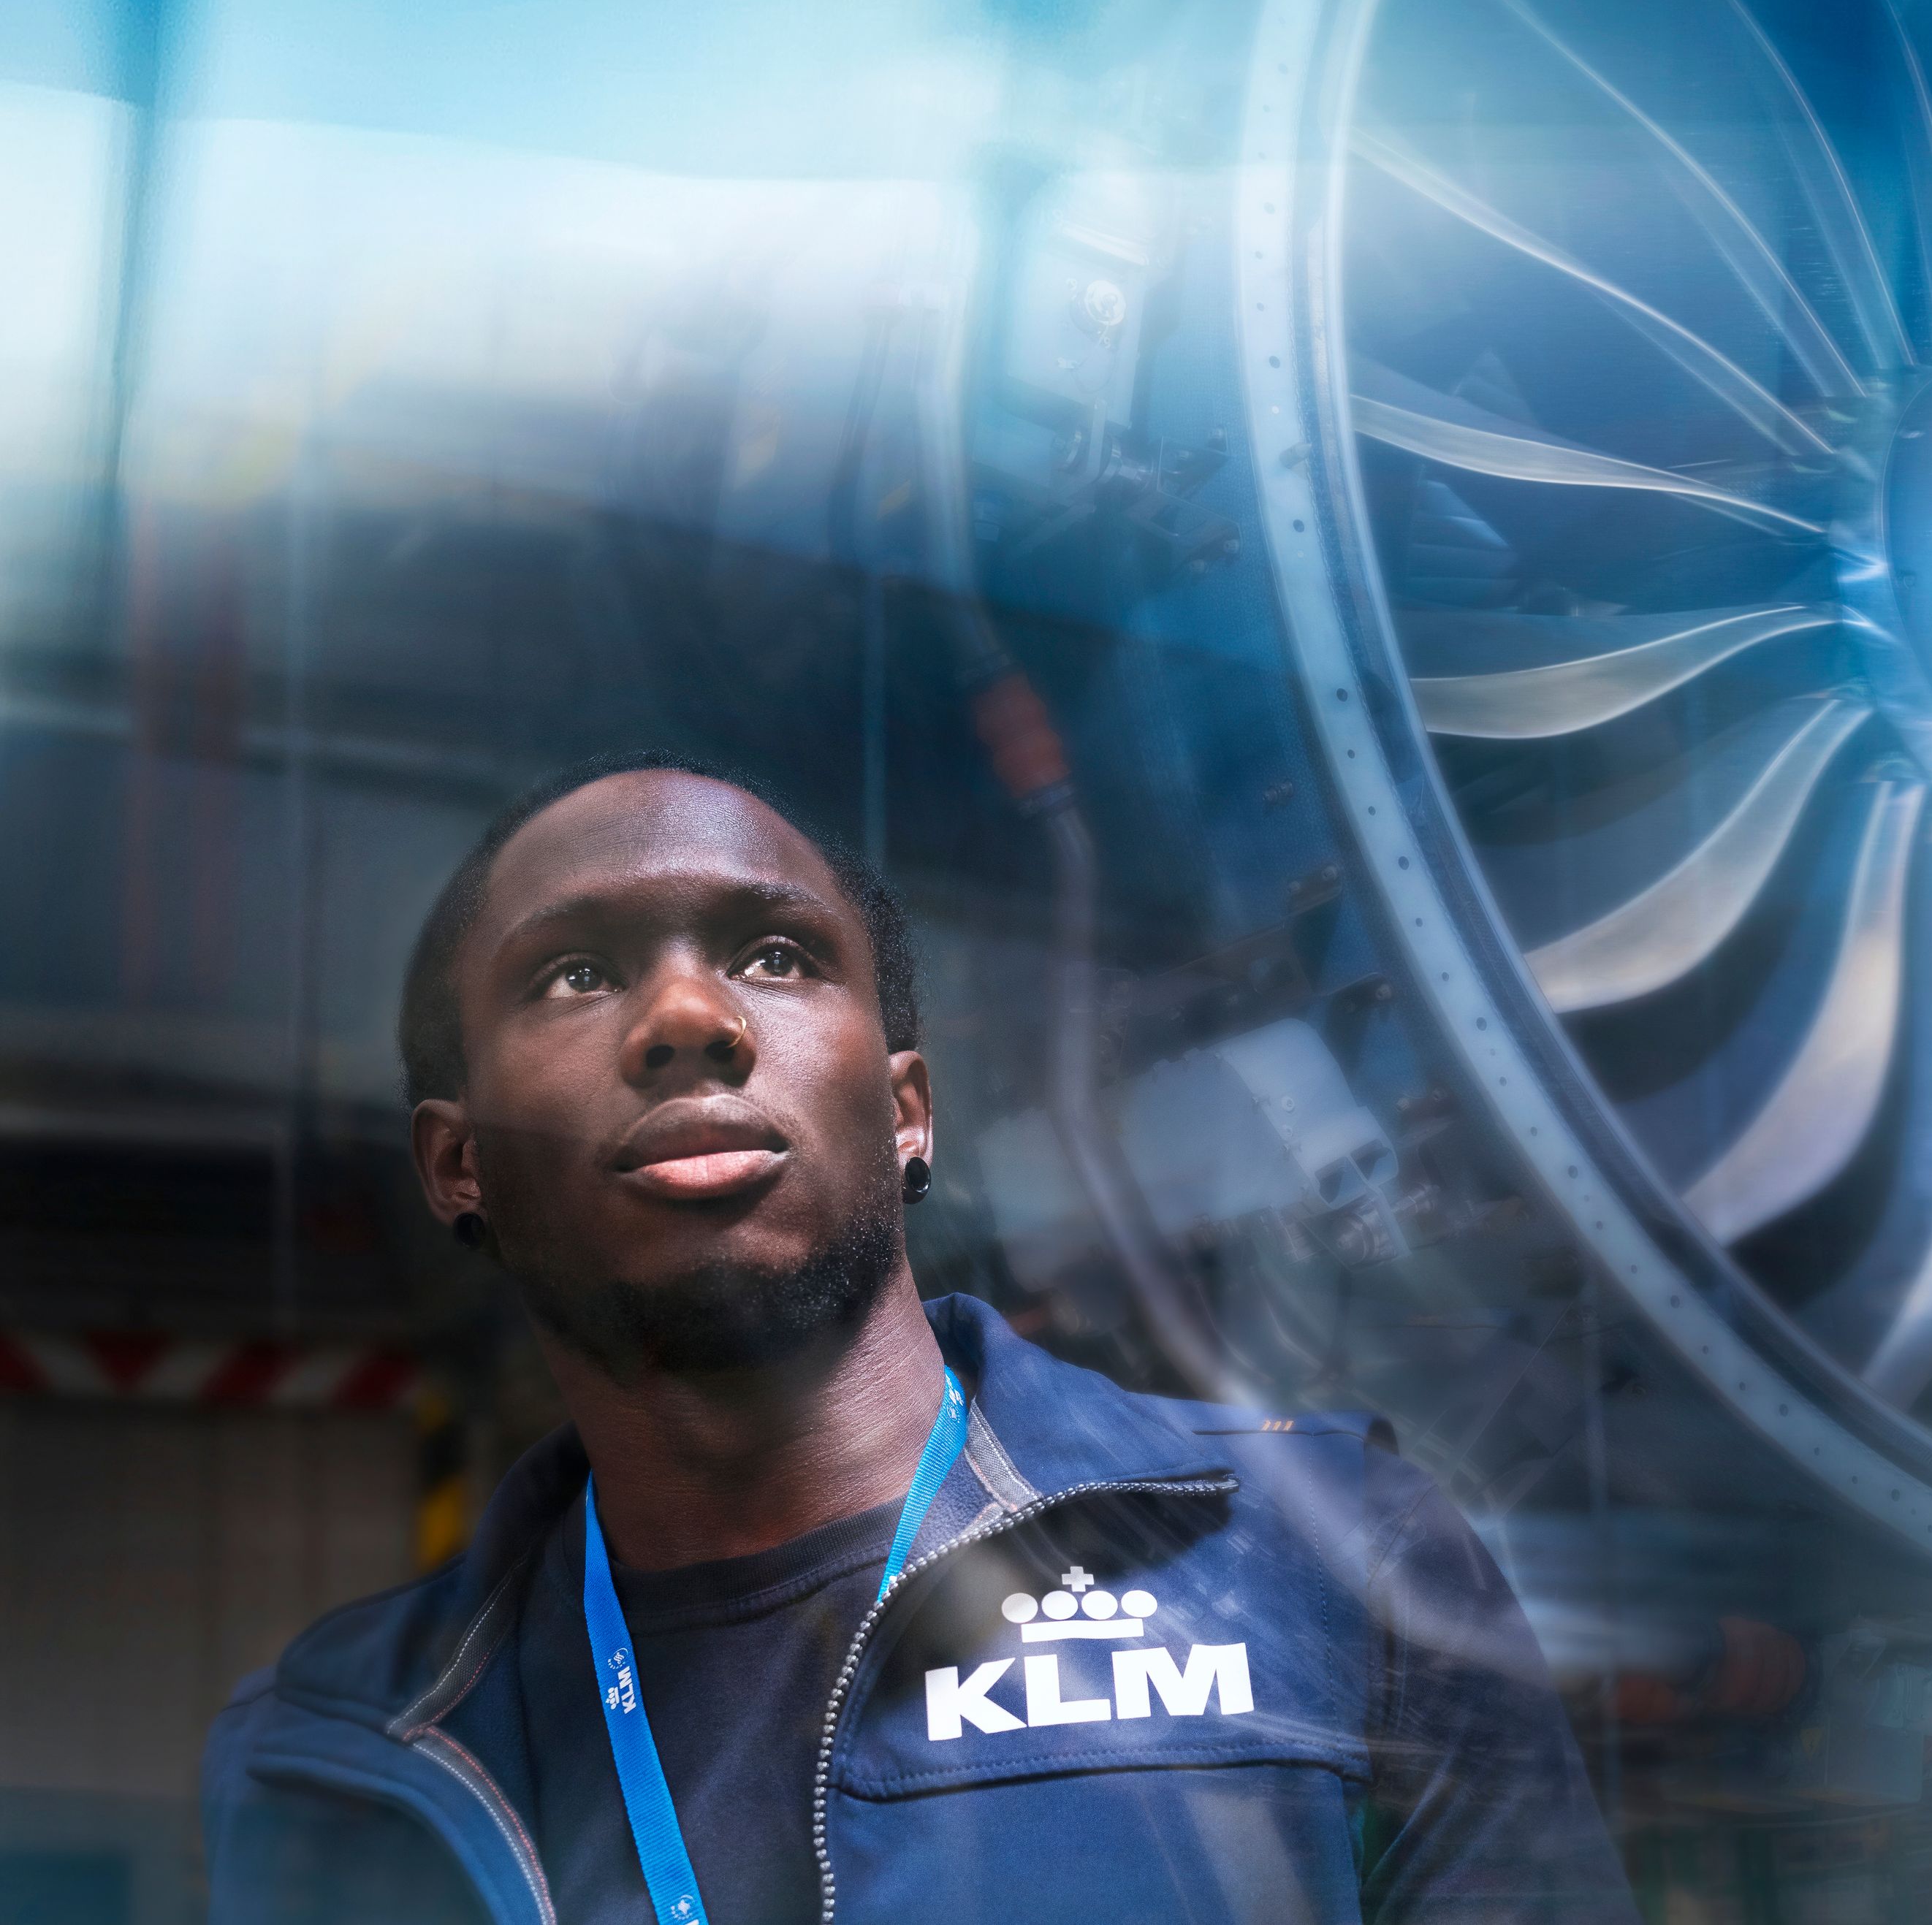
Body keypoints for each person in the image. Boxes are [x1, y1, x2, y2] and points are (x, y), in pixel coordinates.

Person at [200, 752, 1637, 1924]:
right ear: (458, 1165)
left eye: (774, 955)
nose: (688, 1018)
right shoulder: (336, 1747)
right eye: (574, 975)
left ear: (906, 1113)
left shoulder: (1320, 1555)